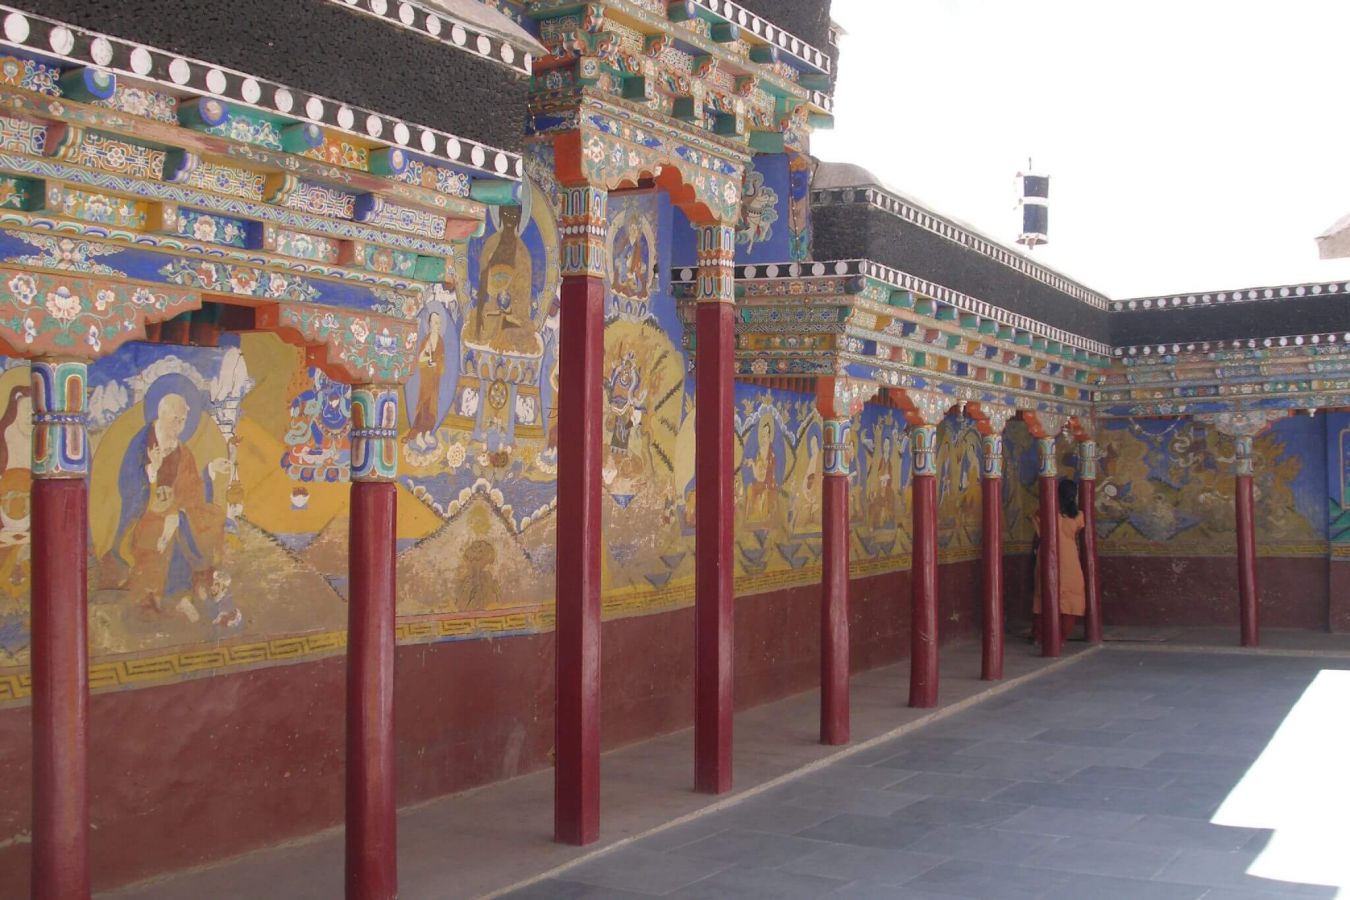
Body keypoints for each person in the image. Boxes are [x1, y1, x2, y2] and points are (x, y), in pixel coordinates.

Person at [1032, 477, 1087, 642]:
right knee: (1071, 596)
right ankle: (1061, 636)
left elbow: (1036, 522)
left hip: (1049, 556)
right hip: (1070, 559)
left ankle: (1040, 636)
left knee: (1045, 592)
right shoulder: (1078, 516)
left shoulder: (1044, 512)